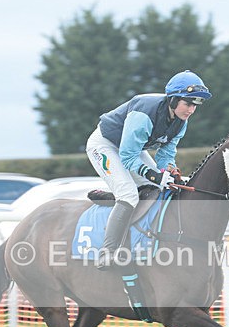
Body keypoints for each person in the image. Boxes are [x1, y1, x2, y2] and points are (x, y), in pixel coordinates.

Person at [85, 70, 212, 270]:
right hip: (105, 146)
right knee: (128, 195)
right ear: (173, 100)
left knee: (159, 187)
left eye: (195, 105)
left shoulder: (181, 122)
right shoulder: (144, 113)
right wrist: (154, 174)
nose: (191, 110)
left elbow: (165, 154)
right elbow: (127, 156)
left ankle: (117, 200)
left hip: (133, 148)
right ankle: (106, 252)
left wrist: (169, 171)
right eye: (188, 104)